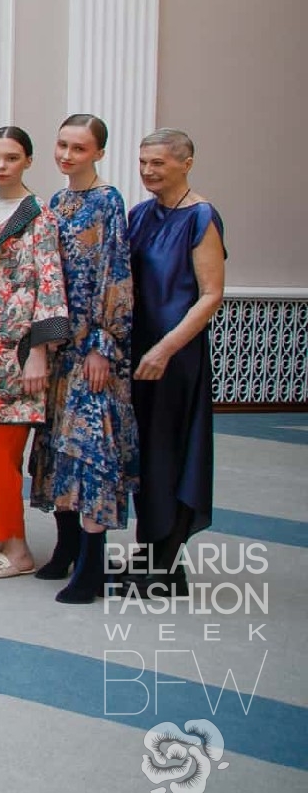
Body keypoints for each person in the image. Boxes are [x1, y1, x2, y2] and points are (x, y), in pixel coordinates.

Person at [31, 114, 137, 603]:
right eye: (62, 145)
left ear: (98, 153)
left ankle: (93, 566)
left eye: (78, 148)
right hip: (61, 347)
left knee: (91, 450)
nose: (67, 155)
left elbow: (114, 271)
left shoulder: (107, 202)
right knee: (58, 448)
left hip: (93, 349)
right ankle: (67, 546)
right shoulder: (57, 202)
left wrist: (102, 344)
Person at [0, 127, 70, 581]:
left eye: (11, 157)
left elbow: (50, 282)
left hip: (19, 350)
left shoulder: (38, 215)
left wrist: (39, 352)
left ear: (28, 160)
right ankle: (2, 538)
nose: (1, 165)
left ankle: (18, 550)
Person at [129, 128, 225, 599]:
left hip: (175, 355)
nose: (148, 171)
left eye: (158, 163)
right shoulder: (139, 214)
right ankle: (151, 554)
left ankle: (166, 561)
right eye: (143, 162)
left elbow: (211, 295)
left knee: (170, 452)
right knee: (144, 453)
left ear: (186, 163)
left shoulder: (201, 217)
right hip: (139, 351)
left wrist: (164, 349)